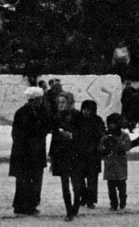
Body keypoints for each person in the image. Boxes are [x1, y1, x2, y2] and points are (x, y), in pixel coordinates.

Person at [9, 86, 51, 216]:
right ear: (33, 100)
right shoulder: (22, 113)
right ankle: (21, 206)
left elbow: (47, 126)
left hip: (37, 152)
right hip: (24, 153)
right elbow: (17, 134)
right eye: (39, 100)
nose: (40, 102)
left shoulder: (42, 112)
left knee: (35, 180)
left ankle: (31, 204)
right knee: (24, 180)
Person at [50, 92, 82, 221]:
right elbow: (54, 136)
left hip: (73, 153)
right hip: (61, 153)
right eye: (59, 102)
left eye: (63, 102)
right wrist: (52, 154)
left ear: (69, 102)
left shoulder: (76, 115)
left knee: (75, 182)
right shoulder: (56, 116)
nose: (61, 105)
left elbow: (81, 133)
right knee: (64, 183)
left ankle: (75, 205)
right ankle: (69, 210)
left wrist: (70, 135)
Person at [74, 99, 105, 209]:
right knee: (79, 178)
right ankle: (84, 196)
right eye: (84, 110)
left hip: (93, 155)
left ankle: (91, 200)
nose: (85, 112)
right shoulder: (78, 120)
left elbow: (100, 135)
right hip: (80, 153)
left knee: (92, 179)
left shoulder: (98, 121)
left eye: (88, 110)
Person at [99, 113, 131, 211]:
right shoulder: (105, 135)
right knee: (111, 187)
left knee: (121, 186)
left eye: (113, 123)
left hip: (120, 163)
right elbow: (100, 148)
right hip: (110, 164)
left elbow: (127, 146)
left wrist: (116, 141)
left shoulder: (124, 135)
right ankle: (113, 203)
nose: (111, 126)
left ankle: (122, 200)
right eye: (110, 124)